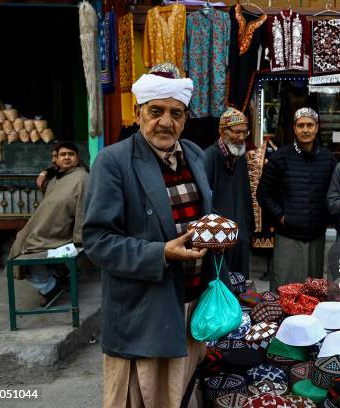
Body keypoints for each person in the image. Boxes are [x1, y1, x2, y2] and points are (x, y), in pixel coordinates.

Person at [83, 63, 230, 408]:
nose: (166, 122)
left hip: (190, 305)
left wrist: (216, 234)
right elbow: (97, 241)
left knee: (178, 392)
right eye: (156, 111)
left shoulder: (194, 154)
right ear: (138, 113)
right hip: (144, 312)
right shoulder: (113, 161)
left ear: (185, 117)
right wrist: (162, 253)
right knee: (141, 397)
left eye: (176, 113)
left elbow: (200, 215)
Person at [257, 107, 336, 291]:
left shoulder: (327, 158)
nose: (305, 130)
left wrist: (326, 218)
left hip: (316, 235)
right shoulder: (280, 157)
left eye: (310, 125)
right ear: (294, 128)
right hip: (288, 235)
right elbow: (263, 193)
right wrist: (282, 217)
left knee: (312, 291)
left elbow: (335, 192)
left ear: (317, 128)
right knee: (285, 290)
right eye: (301, 125)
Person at [8, 142, 88, 306]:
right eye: (62, 155)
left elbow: (83, 209)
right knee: (20, 244)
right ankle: (54, 278)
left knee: (22, 251)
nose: (67, 157)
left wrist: (79, 240)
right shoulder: (56, 179)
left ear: (77, 158)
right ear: (56, 159)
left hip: (58, 234)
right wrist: (45, 172)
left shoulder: (82, 178)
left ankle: (49, 286)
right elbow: (46, 182)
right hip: (42, 231)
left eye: (71, 154)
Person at [204, 107, 254, 278]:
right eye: (237, 132)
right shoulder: (208, 158)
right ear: (222, 131)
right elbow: (205, 202)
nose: (241, 138)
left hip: (240, 236)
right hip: (218, 239)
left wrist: (248, 230)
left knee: (241, 287)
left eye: (245, 133)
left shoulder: (239, 157)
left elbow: (246, 195)